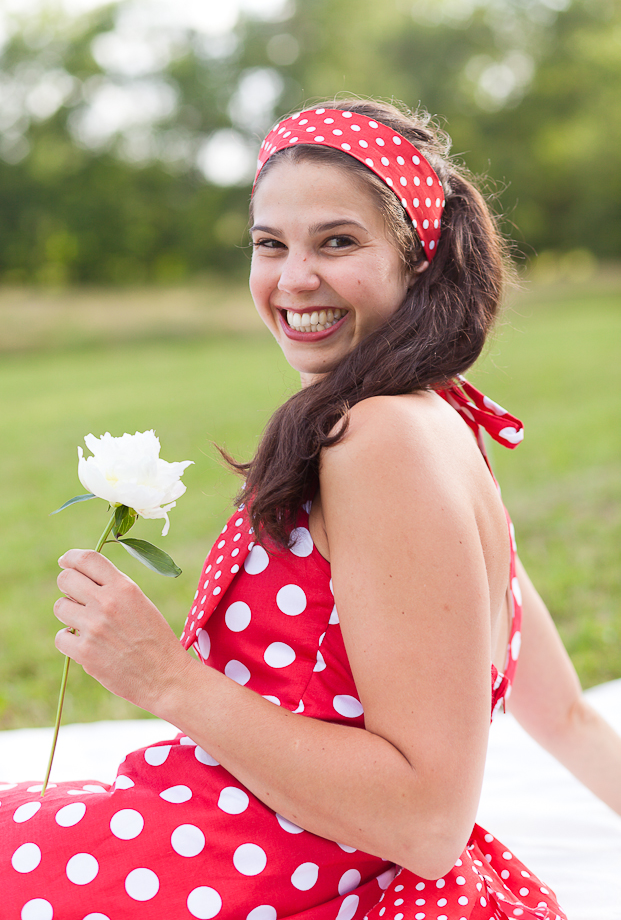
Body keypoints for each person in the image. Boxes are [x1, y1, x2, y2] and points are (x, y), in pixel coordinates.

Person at [2, 98, 620, 920]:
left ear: (417, 260)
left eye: (337, 242)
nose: (294, 279)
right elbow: (565, 713)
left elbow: (429, 824)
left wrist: (163, 677)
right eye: (270, 245)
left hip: (267, 873)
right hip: (276, 852)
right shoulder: (438, 417)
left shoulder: (377, 442)